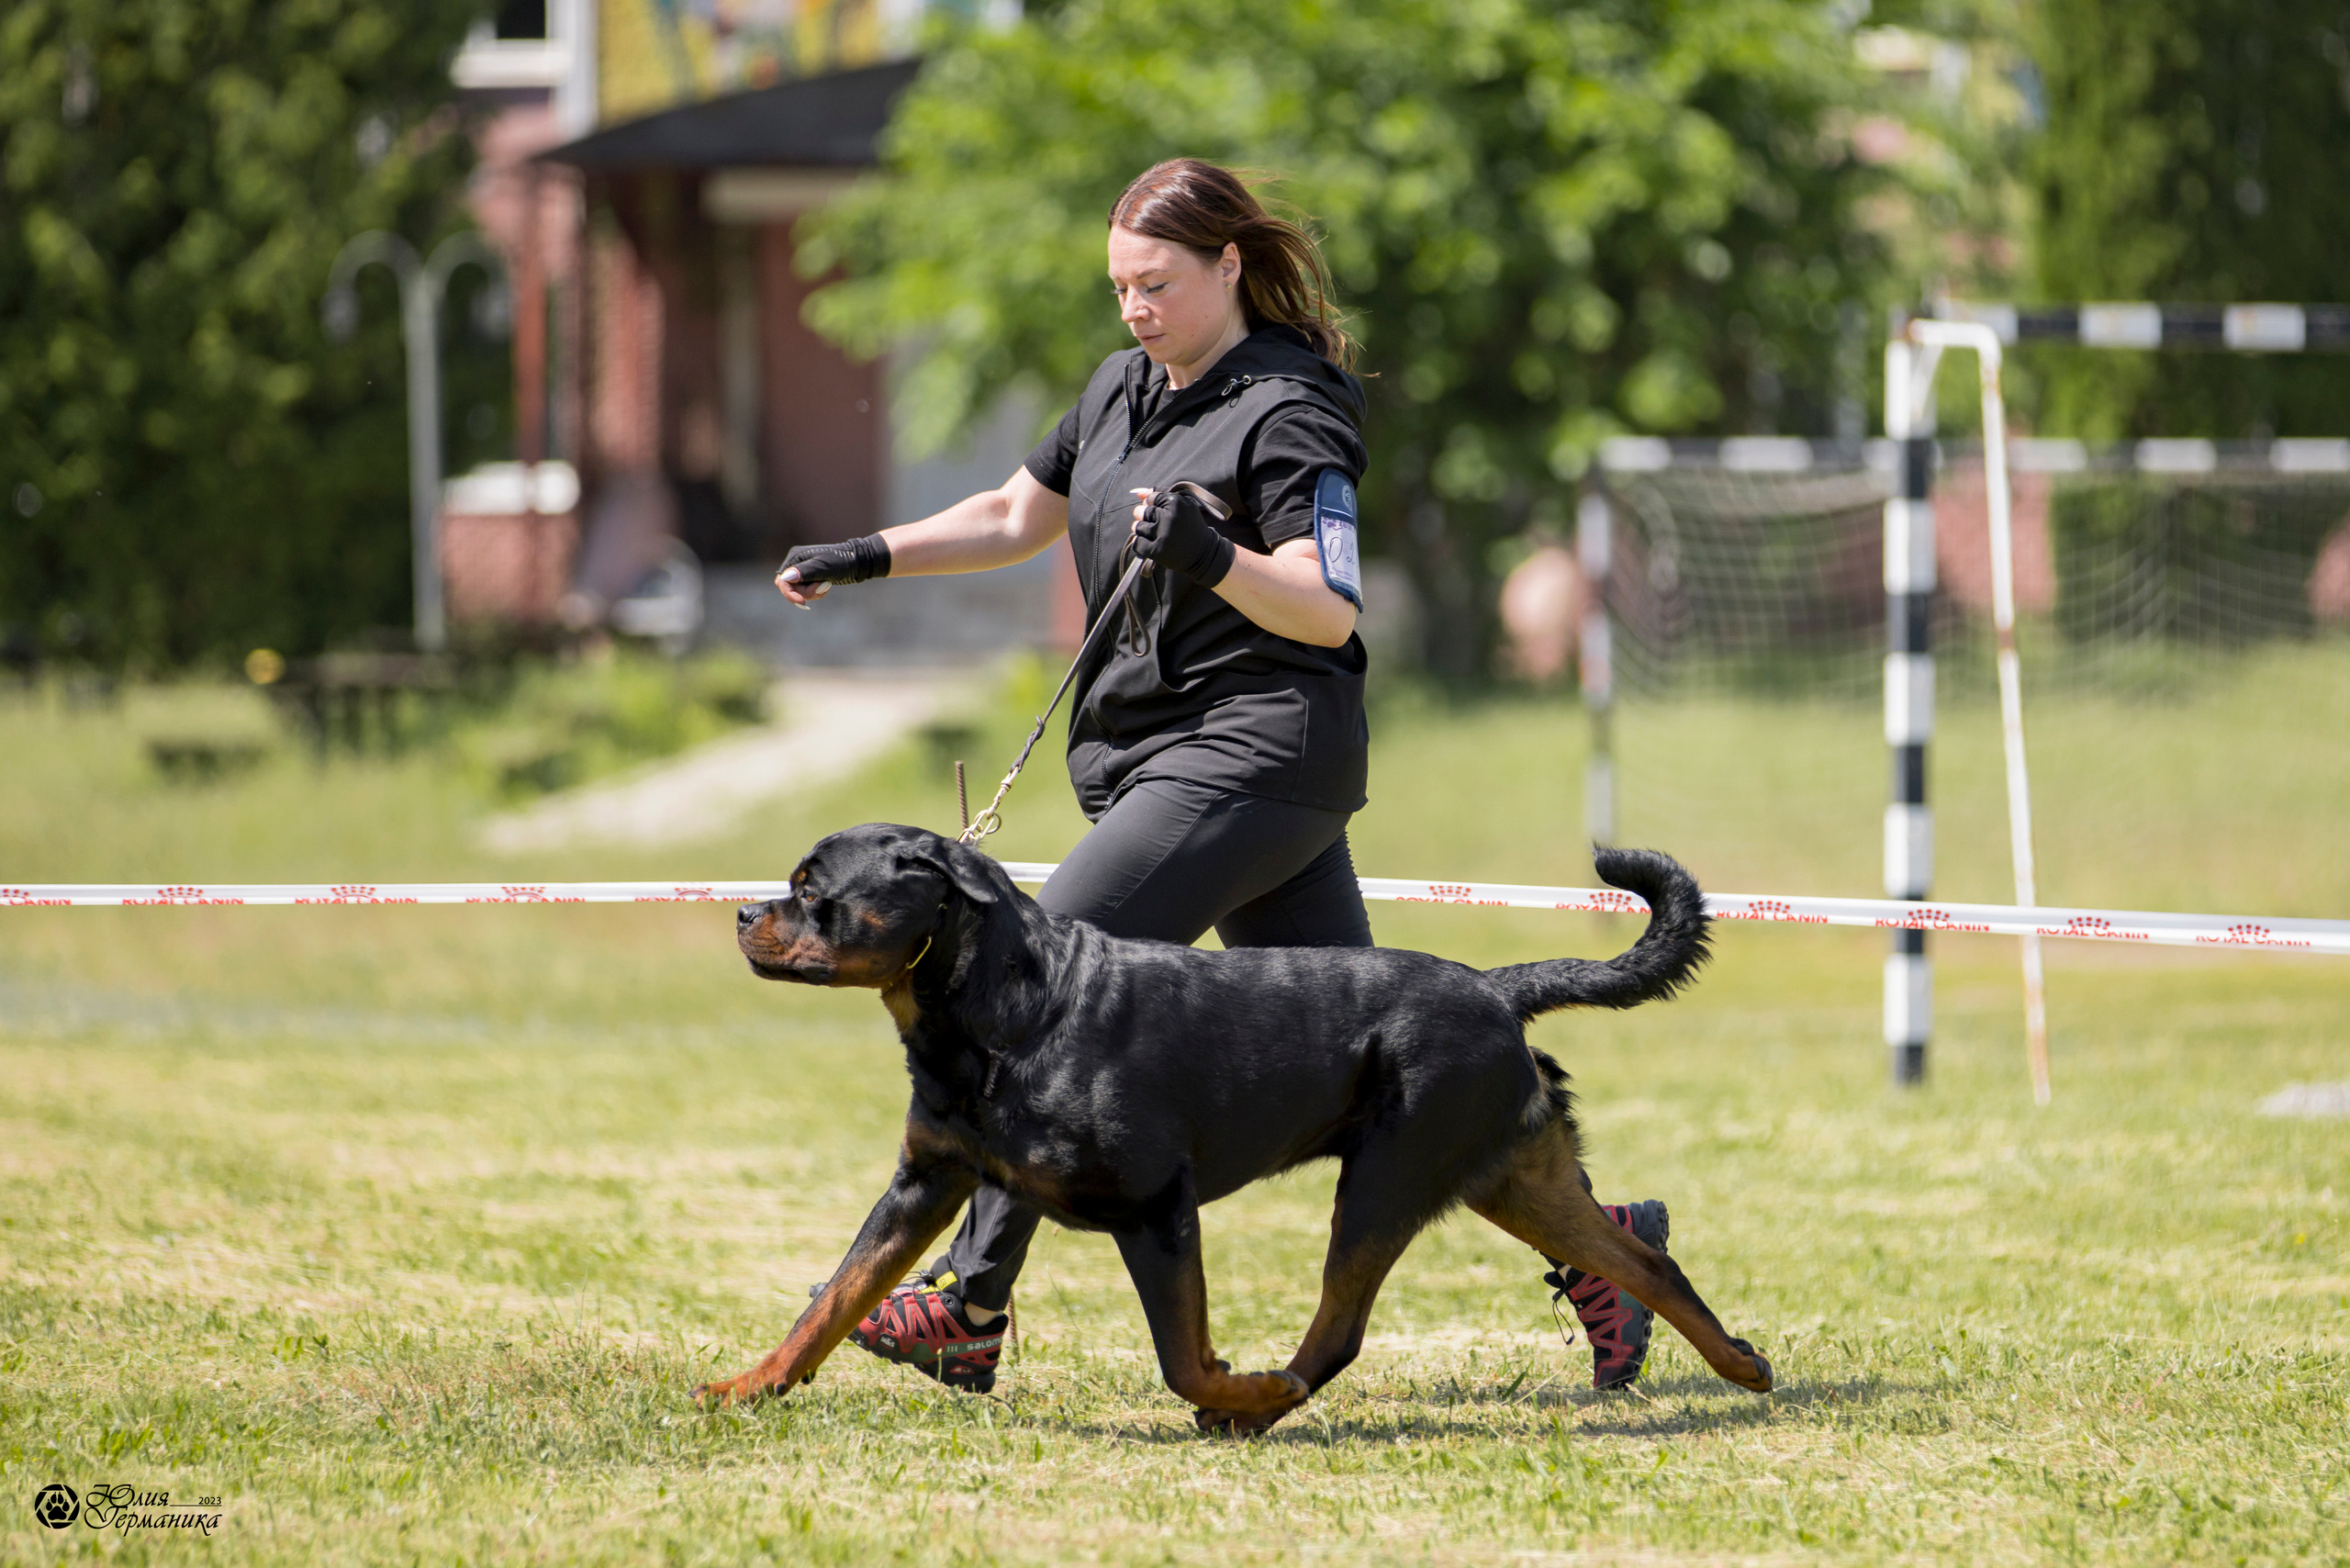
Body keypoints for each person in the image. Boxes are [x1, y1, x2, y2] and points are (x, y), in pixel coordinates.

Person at [775, 157, 1669, 1392]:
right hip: (1168, 767)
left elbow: (1327, 608)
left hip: (1257, 755)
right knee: (1381, 1071)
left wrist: (1219, 559)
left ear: (1228, 267)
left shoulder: (1293, 408)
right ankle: (1610, 1255)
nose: (1135, 309)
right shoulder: (1119, 389)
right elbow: (1007, 515)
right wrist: (866, 553)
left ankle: (968, 1308)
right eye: (1120, 288)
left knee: (1030, 990)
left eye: (1157, 284)